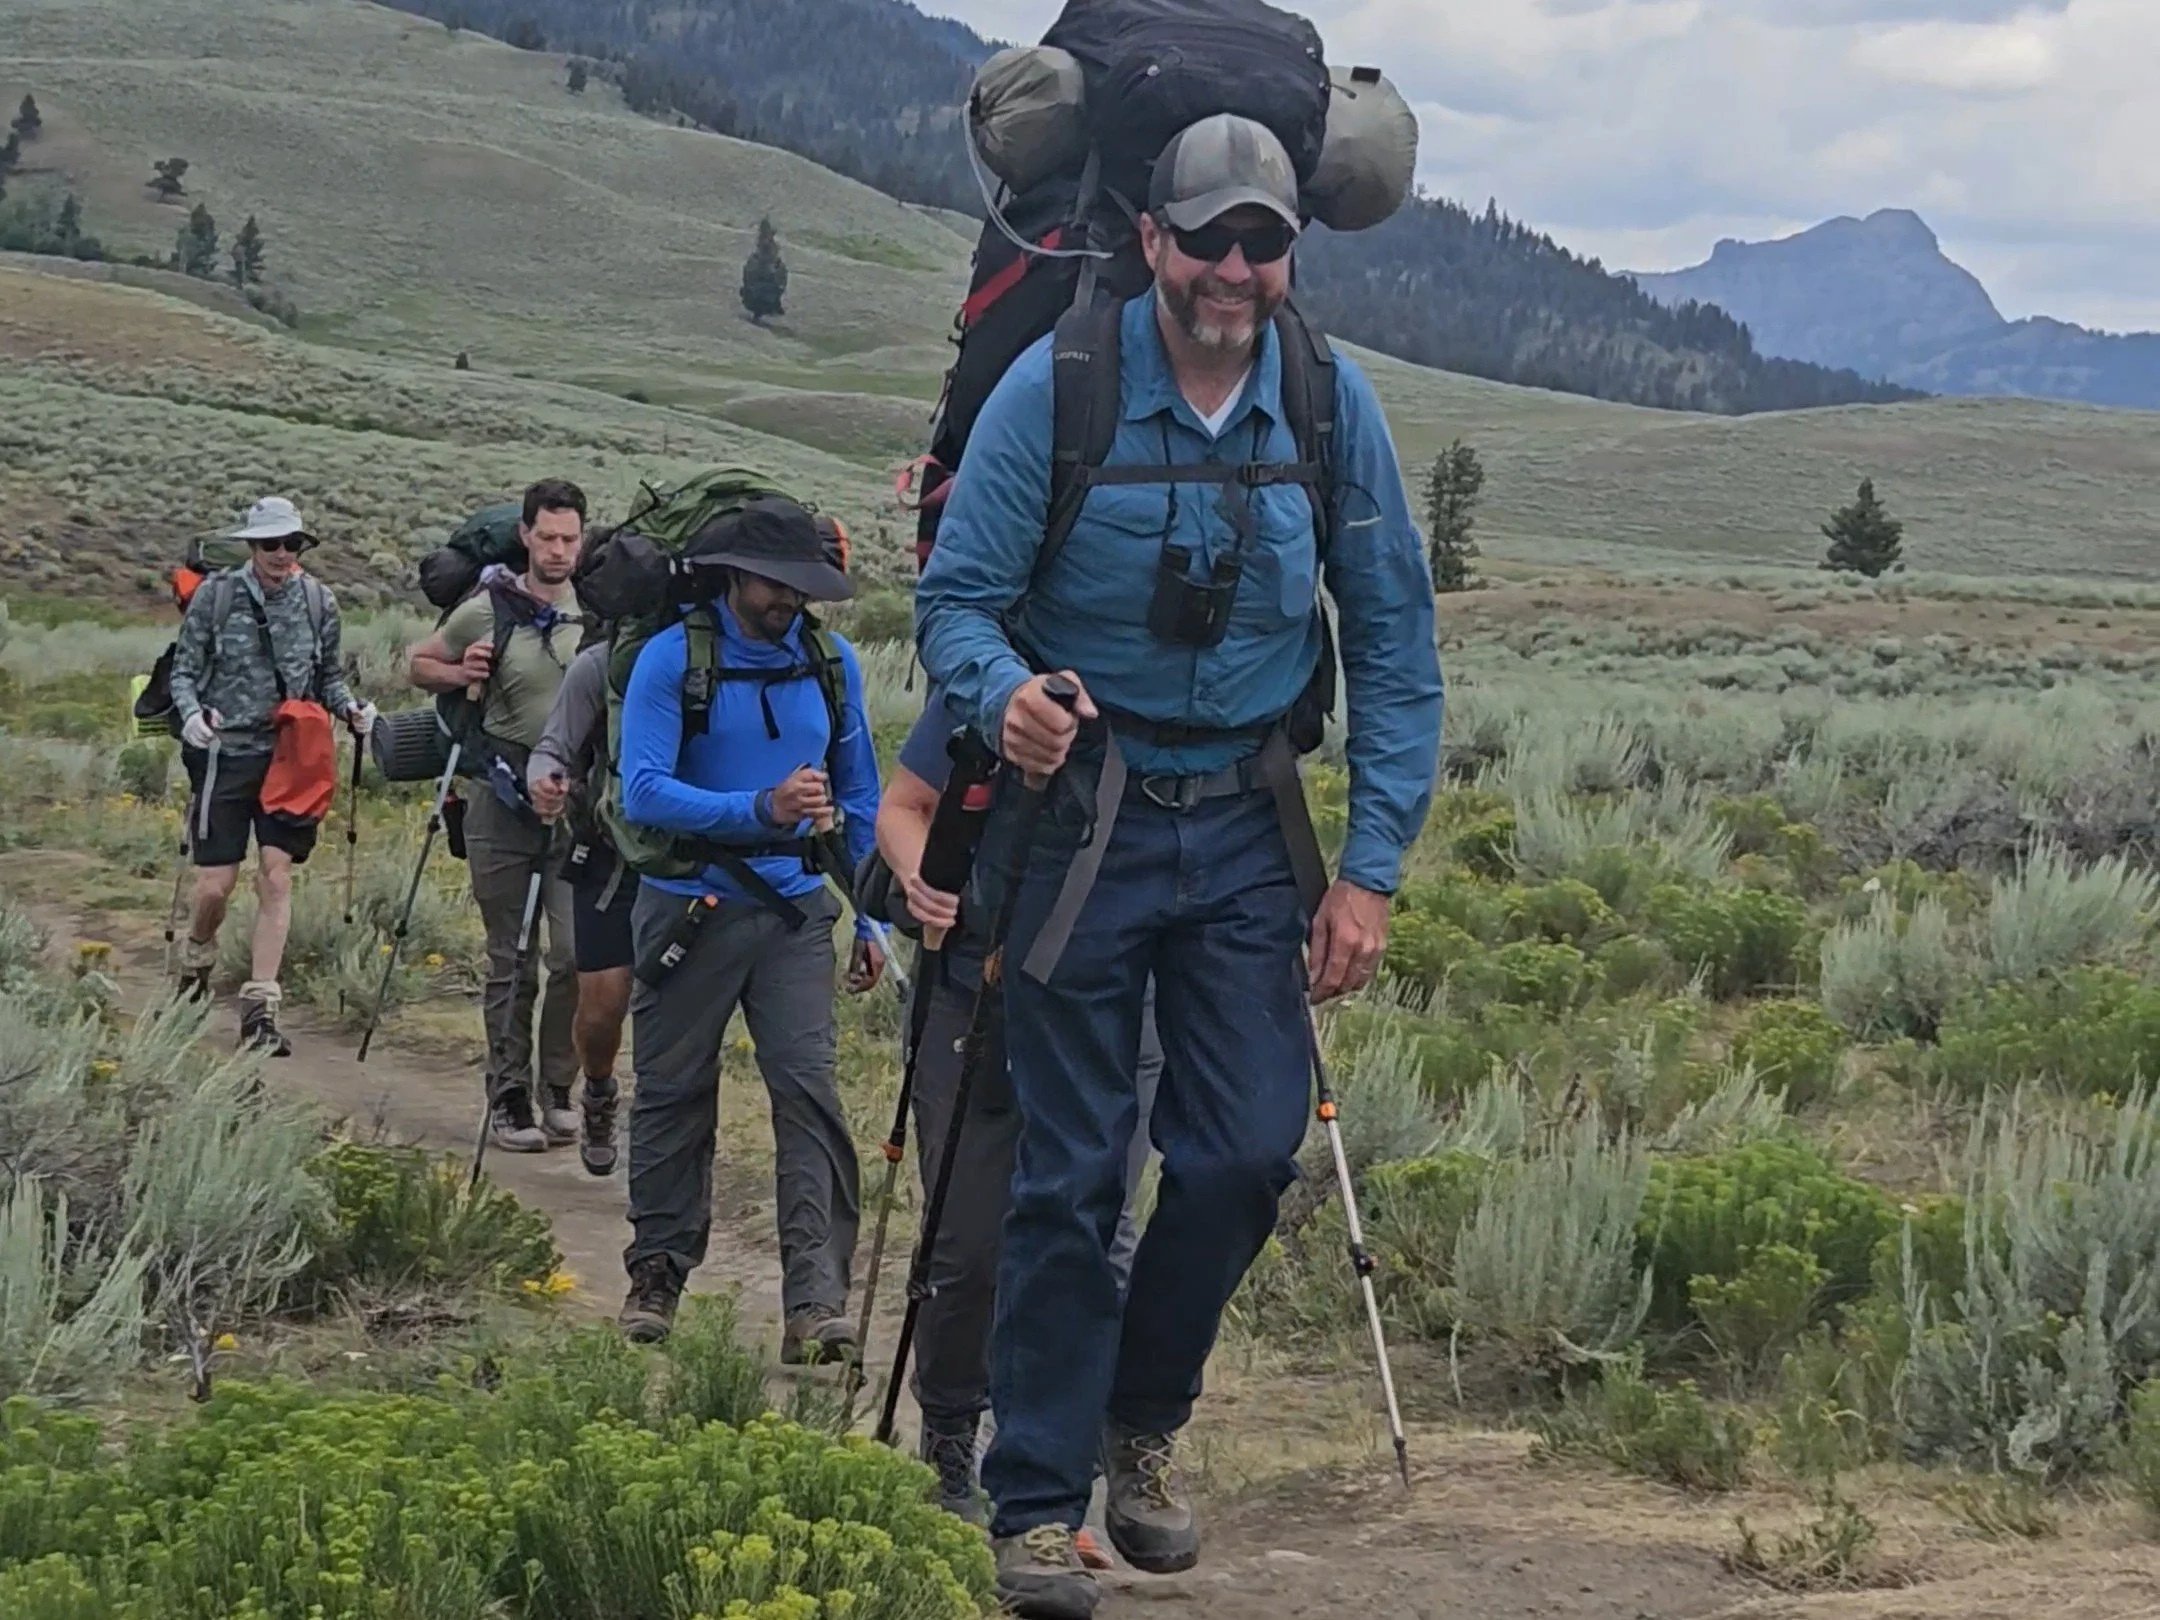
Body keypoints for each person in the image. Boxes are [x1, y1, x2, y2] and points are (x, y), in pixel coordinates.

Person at [914, 113, 1444, 1617]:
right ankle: (1034, 1502)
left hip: (1247, 829)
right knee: (1073, 1174)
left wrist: (1373, 870)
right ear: (1151, 240)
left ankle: (1141, 1427)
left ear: (1292, 253)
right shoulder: (1060, 389)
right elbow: (959, 598)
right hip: (1083, 823)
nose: (1232, 268)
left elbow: (1397, 646)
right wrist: (996, 689)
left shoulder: (1331, 409)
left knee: (1241, 1150)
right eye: (1205, 237)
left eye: (1260, 241)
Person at [873, 689, 1163, 1535]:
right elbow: (904, 808)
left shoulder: (1183, 711)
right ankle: (953, 1430)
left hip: (1118, 1002)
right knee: (965, 1243)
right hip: (979, 990)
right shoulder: (992, 683)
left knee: (1100, 1237)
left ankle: (1058, 1463)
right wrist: (921, 879)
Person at [612, 496, 885, 1358]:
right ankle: (656, 1275)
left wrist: (874, 914)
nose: (791, 602)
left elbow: (864, 794)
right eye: (777, 585)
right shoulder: (671, 659)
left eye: (804, 587)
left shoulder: (831, 663)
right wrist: (760, 807)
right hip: (689, 907)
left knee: (809, 1096)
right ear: (736, 575)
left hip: (799, 913)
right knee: (673, 1092)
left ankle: (816, 1302)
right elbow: (642, 790)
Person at [407, 479, 588, 1154]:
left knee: (574, 954)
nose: (559, 550)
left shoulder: (597, 610)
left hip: (575, 801)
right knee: (512, 955)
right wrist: (462, 675)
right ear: (525, 534)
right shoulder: (489, 608)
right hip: (501, 794)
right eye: (548, 537)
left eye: (570, 538)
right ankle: (509, 1094)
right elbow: (420, 663)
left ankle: (560, 1087)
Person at [168, 495, 376, 1055]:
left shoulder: (319, 602)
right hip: (225, 753)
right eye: (269, 544)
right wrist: (191, 716)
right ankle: (196, 955)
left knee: (276, 875)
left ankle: (260, 1008)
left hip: (293, 754)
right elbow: (184, 672)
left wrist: (351, 708)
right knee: (216, 885)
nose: (281, 554)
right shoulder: (216, 597)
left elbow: (328, 675)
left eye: (292, 543)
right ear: (251, 547)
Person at [526, 625, 628, 1179]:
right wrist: (545, 781)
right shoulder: (600, 665)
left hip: (694, 860)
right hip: (607, 849)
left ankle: (671, 1141)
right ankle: (598, 1088)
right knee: (602, 1007)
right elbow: (554, 748)